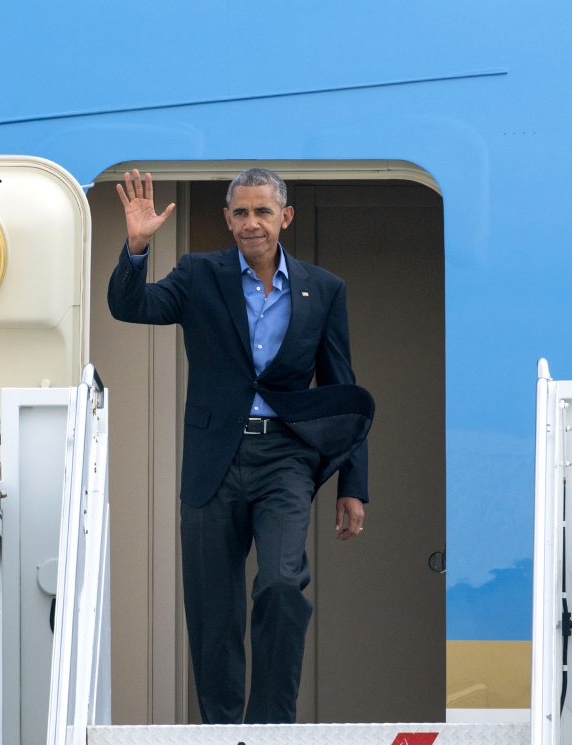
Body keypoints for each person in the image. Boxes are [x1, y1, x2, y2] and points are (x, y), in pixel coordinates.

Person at [107, 168, 373, 725]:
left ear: (285, 217)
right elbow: (132, 307)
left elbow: (340, 393)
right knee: (213, 611)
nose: (252, 223)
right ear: (228, 219)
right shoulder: (198, 273)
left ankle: (271, 728)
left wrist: (352, 484)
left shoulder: (323, 289)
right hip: (213, 461)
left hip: (286, 459)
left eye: (263, 211)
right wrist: (136, 248)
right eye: (242, 213)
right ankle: (224, 731)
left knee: (280, 585)